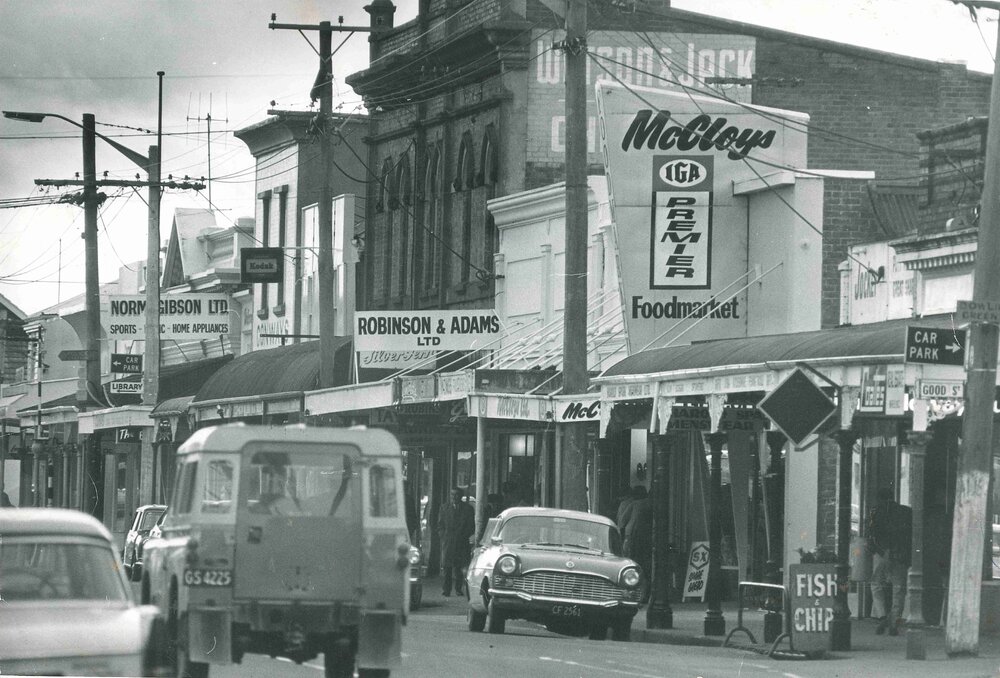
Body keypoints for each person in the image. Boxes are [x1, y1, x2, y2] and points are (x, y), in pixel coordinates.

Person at [868, 487, 913, 636]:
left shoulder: (876, 511)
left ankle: (882, 615)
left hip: (882, 553)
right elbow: (909, 535)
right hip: (900, 554)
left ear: (879, 498)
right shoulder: (906, 511)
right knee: (899, 589)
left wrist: (878, 550)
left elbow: (872, 533)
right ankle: (894, 620)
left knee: (876, 584)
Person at [437, 487, 475, 597]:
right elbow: (440, 524)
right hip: (448, 541)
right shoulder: (444, 508)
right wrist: (443, 536)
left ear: (461, 496)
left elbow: (471, 526)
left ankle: (458, 588)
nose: (454, 497)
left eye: (457, 494)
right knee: (447, 567)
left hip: (462, 541)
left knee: (459, 566)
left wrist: (463, 536)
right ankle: (446, 589)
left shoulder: (468, 509)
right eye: (452, 495)